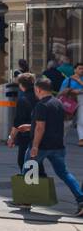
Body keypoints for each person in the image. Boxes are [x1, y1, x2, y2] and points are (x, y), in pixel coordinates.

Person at [25, 77, 83, 216]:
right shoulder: (58, 103)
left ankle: (25, 199)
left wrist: (35, 146)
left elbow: (41, 127)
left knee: (28, 170)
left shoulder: (41, 105)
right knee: (64, 173)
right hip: (58, 145)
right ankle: (81, 199)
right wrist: (29, 127)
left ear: (38, 89)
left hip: (42, 146)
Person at [7, 73, 38, 168]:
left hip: (27, 134)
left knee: (23, 160)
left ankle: (30, 181)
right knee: (35, 160)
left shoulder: (23, 99)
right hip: (42, 132)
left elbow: (18, 121)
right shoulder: (39, 96)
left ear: (20, 85)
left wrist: (11, 138)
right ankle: (38, 178)